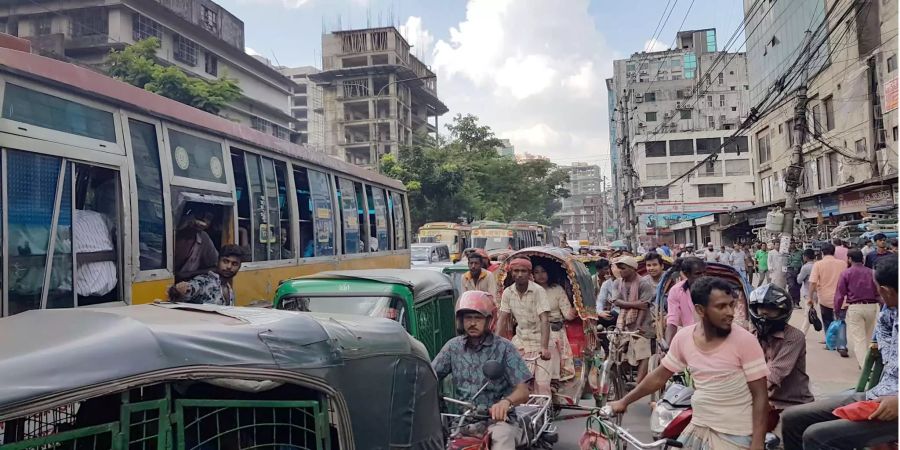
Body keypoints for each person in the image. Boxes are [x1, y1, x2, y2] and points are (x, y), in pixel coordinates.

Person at [610, 277, 770, 450]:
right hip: (699, 426)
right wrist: (624, 401)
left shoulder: (745, 341)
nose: (730, 312)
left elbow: (761, 396)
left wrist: (757, 443)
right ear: (700, 310)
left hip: (735, 433)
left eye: (731, 305)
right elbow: (659, 376)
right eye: (721, 307)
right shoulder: (684, 338)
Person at [782, 255, 899, 450]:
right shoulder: (890, 310)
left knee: (818, 436)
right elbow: (883, 337)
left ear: (885, 290)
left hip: (894, 406)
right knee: (792, 418)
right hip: (878, 394)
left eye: (877, 288)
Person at [432, 290, 532, 449]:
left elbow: (523, 391)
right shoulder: (453, 347)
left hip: (499, 422)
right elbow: (431, 376)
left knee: (502, 441)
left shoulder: (504, 348)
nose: (472, 323)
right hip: (463, 421)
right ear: (461, 321)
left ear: (489, 320)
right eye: (468, 318)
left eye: (477, 318)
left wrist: (505, 403)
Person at [748, 284, 814, 416]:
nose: (764, 313)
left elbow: (774, 375)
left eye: (771, 309)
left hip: (792, 405)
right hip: (763, 401)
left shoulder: (794, 337)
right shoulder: (751, 336)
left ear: (782, 312)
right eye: (761, 308)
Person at [496, 258, 552, 395]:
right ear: (512, 273)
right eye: (516, 271)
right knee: (516, 382)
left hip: (541, 342)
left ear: (529, 273)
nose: (520, 274)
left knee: (542, 384)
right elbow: (502, 318)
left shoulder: (538, 291)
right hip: (520, 342)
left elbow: (545, 319)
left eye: (523, 271)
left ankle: (544, 414)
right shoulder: (508, 293)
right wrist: (495, 344)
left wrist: (544, 347)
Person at [609, 255, 655, 384]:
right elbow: (616, 301)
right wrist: (636, 304)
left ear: (632, 269)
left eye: (623, 268)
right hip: (623, 320)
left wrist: (639, 323)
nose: (620, 271)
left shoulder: (643, 283)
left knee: (643, 351)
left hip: (643, 321)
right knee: (617, 349)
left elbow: (644, 306)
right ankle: (620, 381)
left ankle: (639, 384)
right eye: (618, 268)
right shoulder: (617, 282)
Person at [834, 249, 882, 368]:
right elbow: (879, 291)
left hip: (855, 307)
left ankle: (865, 367)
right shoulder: (872, 272)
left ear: (849, 259)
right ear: (863, 259)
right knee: (869, 337)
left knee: (859, 339)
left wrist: (837, 309)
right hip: (872, 307)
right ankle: (869, 363)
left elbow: (840, 294)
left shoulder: (846, 273)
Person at [532, 263, 576, 386]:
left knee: (552, 342)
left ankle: (554, 380)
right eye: (537, 272)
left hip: (554, 330)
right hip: (535, 330)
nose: (540, 275)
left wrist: (578, 304)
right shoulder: (530, 291)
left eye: (543, 271)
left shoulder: (557, 289)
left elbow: (567, 314)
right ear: (532, 275)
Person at [168, 245, 245, 305]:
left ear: (239, 267)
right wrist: (178, 290)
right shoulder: (204, 282)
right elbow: (189, 289)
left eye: (234, 264)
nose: (229, 267)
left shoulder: (229, 290)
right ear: (217, 262)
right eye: (225, 261)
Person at [809, 243, 850, 356]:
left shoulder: (818, 264)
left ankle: (830, 343)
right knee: (841, 321)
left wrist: (810, 298)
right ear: (833, 252)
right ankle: (842, 346)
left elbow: (812, 283)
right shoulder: (843, 264)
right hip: (842, 298)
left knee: (827, 321)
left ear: (822, 252)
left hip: (825, 298)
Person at [665, 257, 707, 344]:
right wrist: (667, 346)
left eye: (704, 273)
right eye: (698, 274)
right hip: (689, 337)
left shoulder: (713, 288)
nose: (703, 277)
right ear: (686, 274)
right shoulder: (676, 290)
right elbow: (672, 320)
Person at [173, 210, 219, 282]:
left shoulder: (204, 238)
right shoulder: (172, 231)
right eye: (199, 215)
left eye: (208, 218)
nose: (203, 220)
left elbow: (216, 267)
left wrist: (188, 274)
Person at [796, 249, 817, 334]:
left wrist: (798, 275)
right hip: (819, 292)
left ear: (805, 257)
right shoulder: (817, 265)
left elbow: (799, 280)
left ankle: (802, 333)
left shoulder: (805, 267)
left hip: (808, 293)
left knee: (807, 314)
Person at [786, 243, 804, 309]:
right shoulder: (785, 252)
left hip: (798, 271)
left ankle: (796, 302)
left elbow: (804, 261)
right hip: (789, 270)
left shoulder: (800, 252)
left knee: (797, 286)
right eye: (790, 243)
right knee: (791, 285)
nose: (792, 244)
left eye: (792, 242)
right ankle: (791, 302)